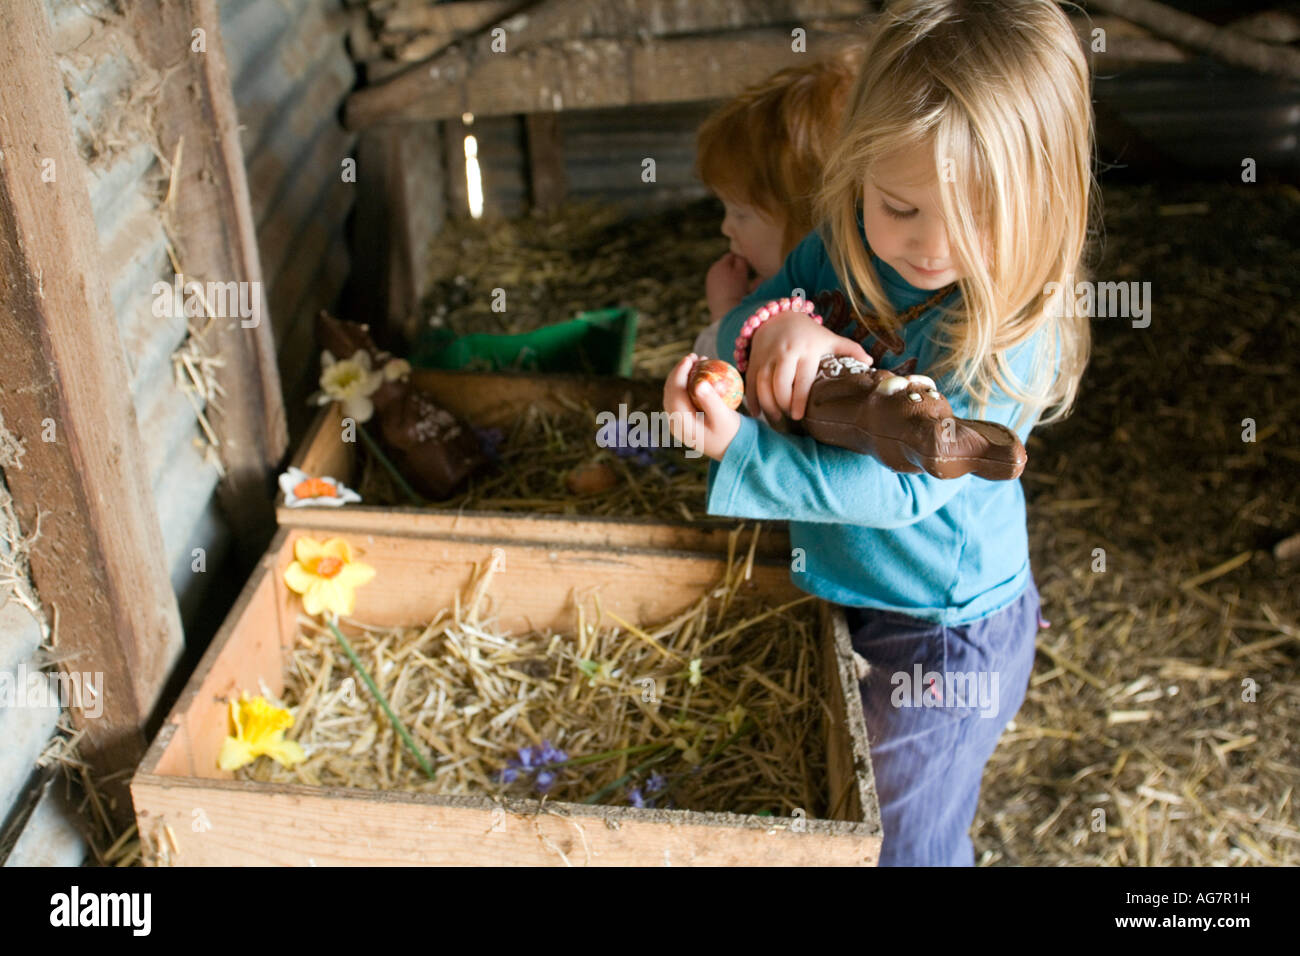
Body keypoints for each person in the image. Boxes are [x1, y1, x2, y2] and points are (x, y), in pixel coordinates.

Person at [664, 0, 1094, 866]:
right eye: (901, 207)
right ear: (857, 171)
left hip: (941, 627)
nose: (932, 246)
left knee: (900, 840)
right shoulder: (847, 240)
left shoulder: (1006, 334)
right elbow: (763, 299)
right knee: (844, 796)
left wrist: (743, 450)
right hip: (859, 587)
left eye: (977, 218)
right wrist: (775, 326)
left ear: (1045, 198)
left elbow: (896, 490)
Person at [692, 49, 860, 360]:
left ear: (809, 219)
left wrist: (727, 313)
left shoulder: (832, 317)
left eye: (740, 213)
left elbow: (734, 390)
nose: (725, 227)